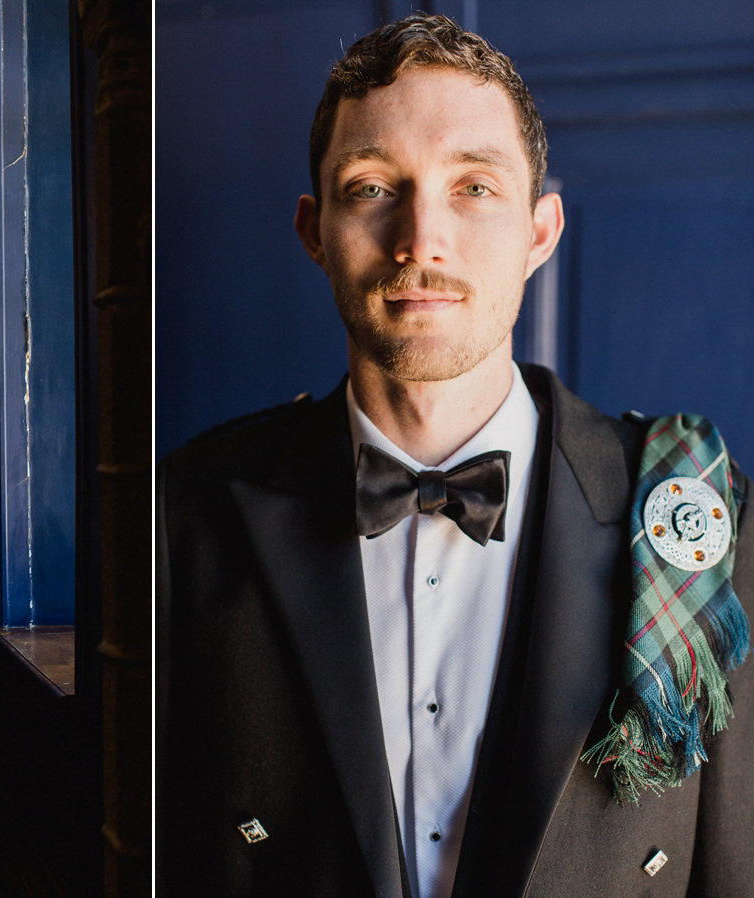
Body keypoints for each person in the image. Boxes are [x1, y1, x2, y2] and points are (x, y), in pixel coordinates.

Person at [156, 15, 754, 898]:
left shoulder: (691, 508)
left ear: (540, 232)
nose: (420, 241)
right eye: (370, 188)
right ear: (313, 231)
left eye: (473, 187)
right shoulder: (186, 508)